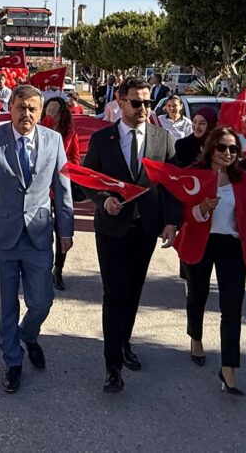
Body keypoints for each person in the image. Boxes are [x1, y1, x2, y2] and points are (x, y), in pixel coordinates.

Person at [0, 85, 74, 393]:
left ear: (40, 112)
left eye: (32, 108)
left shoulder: (54, 141)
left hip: (39, 234)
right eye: (20, 107)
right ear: (10, 108)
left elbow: (63, 186)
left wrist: (65, 230)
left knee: (42, 301)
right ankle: (13, 361)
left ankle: (29, 334)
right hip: (2, 236)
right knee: (6, 305)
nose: (26, 114)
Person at [83, 77, 181, 393]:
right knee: (114, 293)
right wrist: (103, 199)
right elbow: (88, 179)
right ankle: (112, 367)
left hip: (146, 228)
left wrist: (171, 221)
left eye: (147, 102)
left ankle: (124, 342)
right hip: (111, 229)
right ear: (120, 102)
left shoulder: (162, 139)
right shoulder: (102, 140)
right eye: (136, 102)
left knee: (134, 290)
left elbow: (171, 185)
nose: (143, 108)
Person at [172, 127, 246, 396]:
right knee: (198, 295)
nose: (227, 153)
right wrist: (201, 209)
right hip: (200, 241)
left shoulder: (242, 178)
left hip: (231, 245)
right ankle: (195, 338)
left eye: (233, 149)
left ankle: (229, 369)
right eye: (222, 147)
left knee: (232, 307)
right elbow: (185, 211)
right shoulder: (194, 175)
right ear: (210, 148)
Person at [41, 96, 80, 291]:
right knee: (43, 230)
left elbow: (75, 159)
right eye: (49, 107)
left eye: (56, 108)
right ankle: (43, 268)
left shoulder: (69, 133)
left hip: (60, 187)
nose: (52, 110)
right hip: (42, 190)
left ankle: (59, 269)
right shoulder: (40, 129)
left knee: (61, 230)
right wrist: (47, 120)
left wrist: (64, 167)